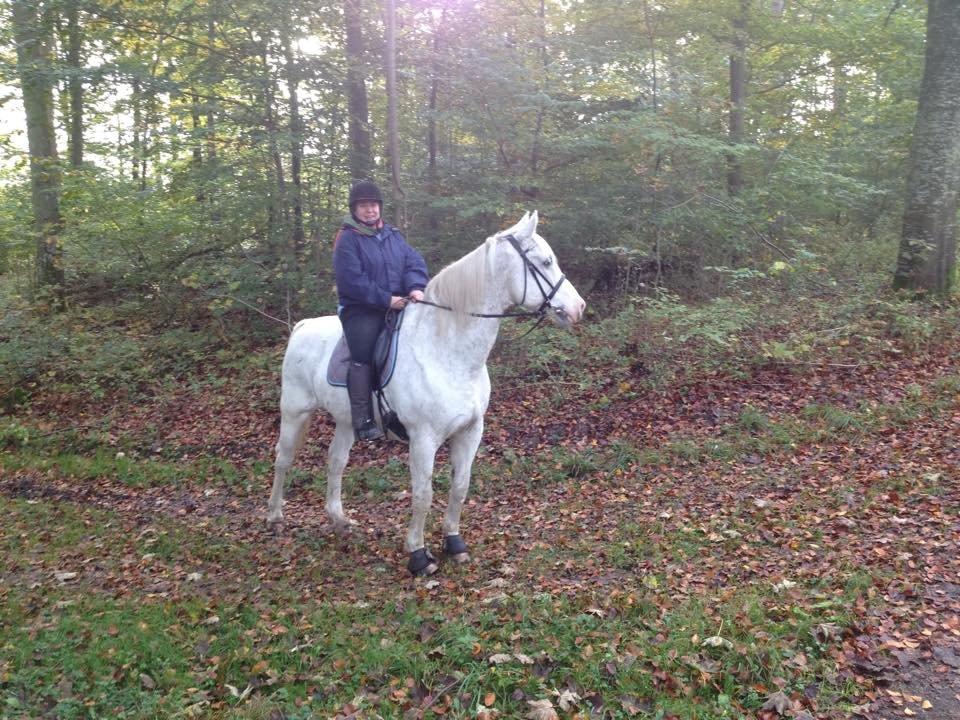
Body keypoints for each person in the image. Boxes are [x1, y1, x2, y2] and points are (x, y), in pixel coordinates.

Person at [333, 181, 429, 441]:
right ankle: (363, 418)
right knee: (363, 353)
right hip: (361, 308)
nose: (370, 210)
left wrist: (416, 287)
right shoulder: (347, 240)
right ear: (355, 209)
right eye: (364, 206)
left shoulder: (392, 235)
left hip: (400, 302)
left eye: (373, 205)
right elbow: (352, 281)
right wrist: (386, 299)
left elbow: (413, 261)